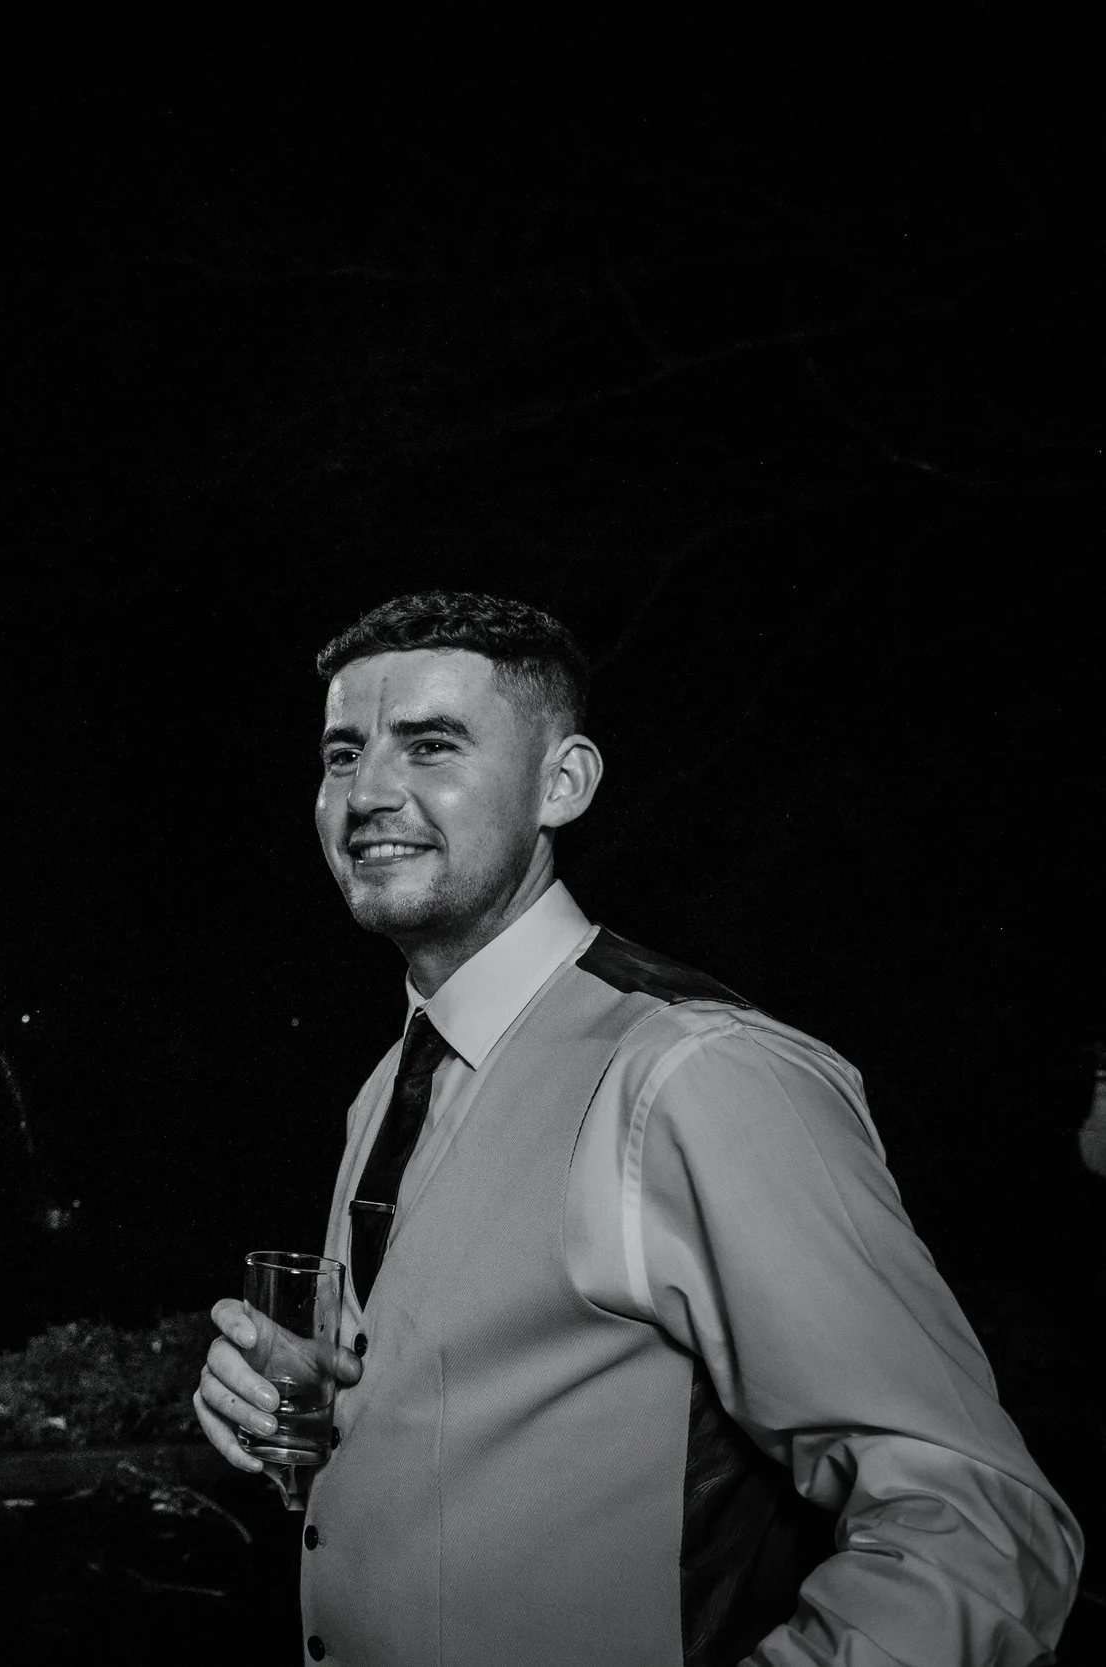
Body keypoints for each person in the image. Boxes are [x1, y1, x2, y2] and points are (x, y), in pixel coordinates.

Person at [193, 592, 1083, 1665]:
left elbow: (979, 1524)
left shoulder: (696, 1071)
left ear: (560, 783)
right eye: (342, 753)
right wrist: (320, 1412)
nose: (368, 792)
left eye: (431, 744)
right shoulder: (388, 1083)